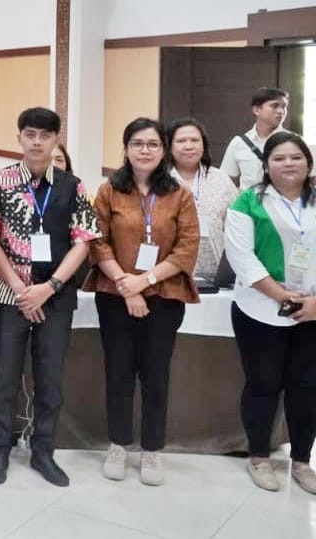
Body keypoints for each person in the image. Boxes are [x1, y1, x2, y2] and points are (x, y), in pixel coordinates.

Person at [0, 107, 99, 487]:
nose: (37, 142)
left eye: (45, 135)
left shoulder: (72, 185)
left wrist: (49, 288)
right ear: (18, 137)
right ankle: (0, 449)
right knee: (4, 377)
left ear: (55, 140)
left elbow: (83, 242)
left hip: (55, 297)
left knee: (49, 379)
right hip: (9, 296)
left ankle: (43, 451)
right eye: (30, 134)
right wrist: (20, 289)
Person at [86, 118, 200, 487]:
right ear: (126, 149)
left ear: (163, 150)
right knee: (118, 373)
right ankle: (118, 444)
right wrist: (127, 286)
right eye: (137, 143)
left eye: (152, 144)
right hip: (114, 296)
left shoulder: (179, 194)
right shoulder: (109, 190)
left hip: (164, 297)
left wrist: (145, 281)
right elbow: (97, 241)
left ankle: (152, 449)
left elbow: (187, 248)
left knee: (156, 374)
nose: (145, 150)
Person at [224, 131, 316, 495]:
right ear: (266, 165)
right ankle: (260, 457)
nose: (288, 163)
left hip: (312, 312)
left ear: (308, 163)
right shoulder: (247, 202)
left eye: (296, 157)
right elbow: (242, 257)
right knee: (262, 384)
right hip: (260, 308)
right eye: (278, 158)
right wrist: (282, 296)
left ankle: (302, 461)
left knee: (307, 387)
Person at [167, 118, 239, 281]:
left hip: (215, 272)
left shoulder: (221, 179)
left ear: (203, 145)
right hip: (171, 273)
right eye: (181, 141)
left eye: (194, 140)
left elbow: (235, 224)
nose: (189, 146)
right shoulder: (159, 181)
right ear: (169, 146)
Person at [223, 87, 290, 190]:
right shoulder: (239, 143)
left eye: (284, 107)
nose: (281, 111)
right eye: (274, 106)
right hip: (249, 199)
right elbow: (226, 181)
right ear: (257, 110)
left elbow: (311, 179)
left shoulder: (295, 142)